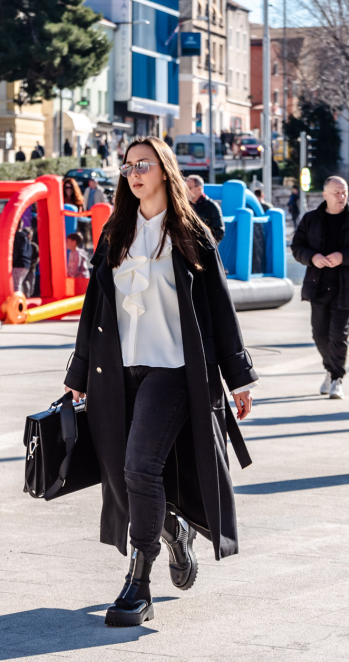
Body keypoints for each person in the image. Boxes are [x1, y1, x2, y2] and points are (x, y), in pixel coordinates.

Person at [63, 135, 257, 628]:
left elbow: (220, 309)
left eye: (143, 165)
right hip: (117, 372)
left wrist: (238, 377)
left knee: (140, 466)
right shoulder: (115, 233)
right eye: (127, 166)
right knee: (123, 475)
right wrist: (78, 373)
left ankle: (139, 582)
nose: (133, 174)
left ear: (164, 171)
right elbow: (93, 309)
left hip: (172, 370)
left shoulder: (191, 235)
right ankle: (172, 527)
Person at [290, 176, 349, 400]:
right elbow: (297, 247)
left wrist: (343, 257)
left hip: (345, 287)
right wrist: (312, 257)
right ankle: (330, 369)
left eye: (344, 192)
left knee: (338, 335)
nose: (341, 196)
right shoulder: (311, 219)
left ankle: (337, 378)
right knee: (319, 335)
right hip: (318, 286)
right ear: (325, 195)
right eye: (336, 192)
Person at [184, 175, 224, 244]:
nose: (185, 191)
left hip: (204, 248)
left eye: (189, 188)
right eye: (185, 188)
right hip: (187, 248)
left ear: (199, 188)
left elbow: (219, 232)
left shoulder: (211, 206)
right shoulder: (185, 205)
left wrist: (204, 245)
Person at [12, 219, 33, 297]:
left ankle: (18, 300)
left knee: (16, 284)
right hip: (26, 263)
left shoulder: (16, 236)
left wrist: (13, 262)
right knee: (18, 283)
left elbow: (16, 251)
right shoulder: (25, 236)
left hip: (18, 263)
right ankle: (20, 298)